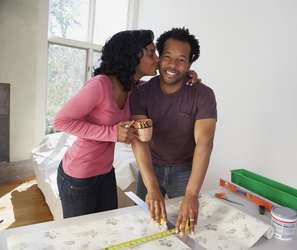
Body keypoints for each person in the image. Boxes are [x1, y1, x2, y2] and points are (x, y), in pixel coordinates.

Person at [53, 29, 199, 219]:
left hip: (106, 172)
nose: (157, 58)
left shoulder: (134, 88)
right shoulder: (100, 85)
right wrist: (112, 133)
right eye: (150, 53)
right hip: (78, 175)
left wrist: (185, 74)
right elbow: (61, 121)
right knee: (81, 236)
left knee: (107, 230)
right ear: (131, 56)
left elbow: (164, 82)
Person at [130, 27, 217, 235]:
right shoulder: (140, 93)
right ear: (159, 58)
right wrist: (152, 188)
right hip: (151, 166)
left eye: (181, 60)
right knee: (143, 224)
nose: (173, 65)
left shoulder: (203, 95)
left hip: (184, 170)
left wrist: (192, 194)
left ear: (190, 62)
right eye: (168, 57)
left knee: (186, 228)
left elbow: (205, 143)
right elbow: (139, 140)